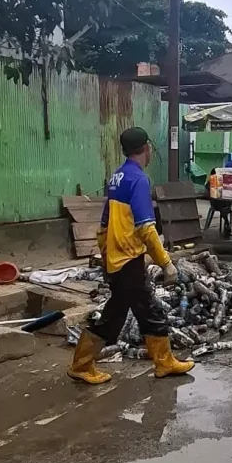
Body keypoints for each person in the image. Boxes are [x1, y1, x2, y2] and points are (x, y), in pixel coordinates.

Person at [68, 127, 194, 384]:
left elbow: (104, 224)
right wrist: (166, 263)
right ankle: (162, 362)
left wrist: (106, 254)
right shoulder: (138, 179)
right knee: (142, 311)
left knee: (124, 313)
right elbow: (146, 227)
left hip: (116, 258)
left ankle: (161, 362)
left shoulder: (117, 177)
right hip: (128, 259)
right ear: (146, 148)